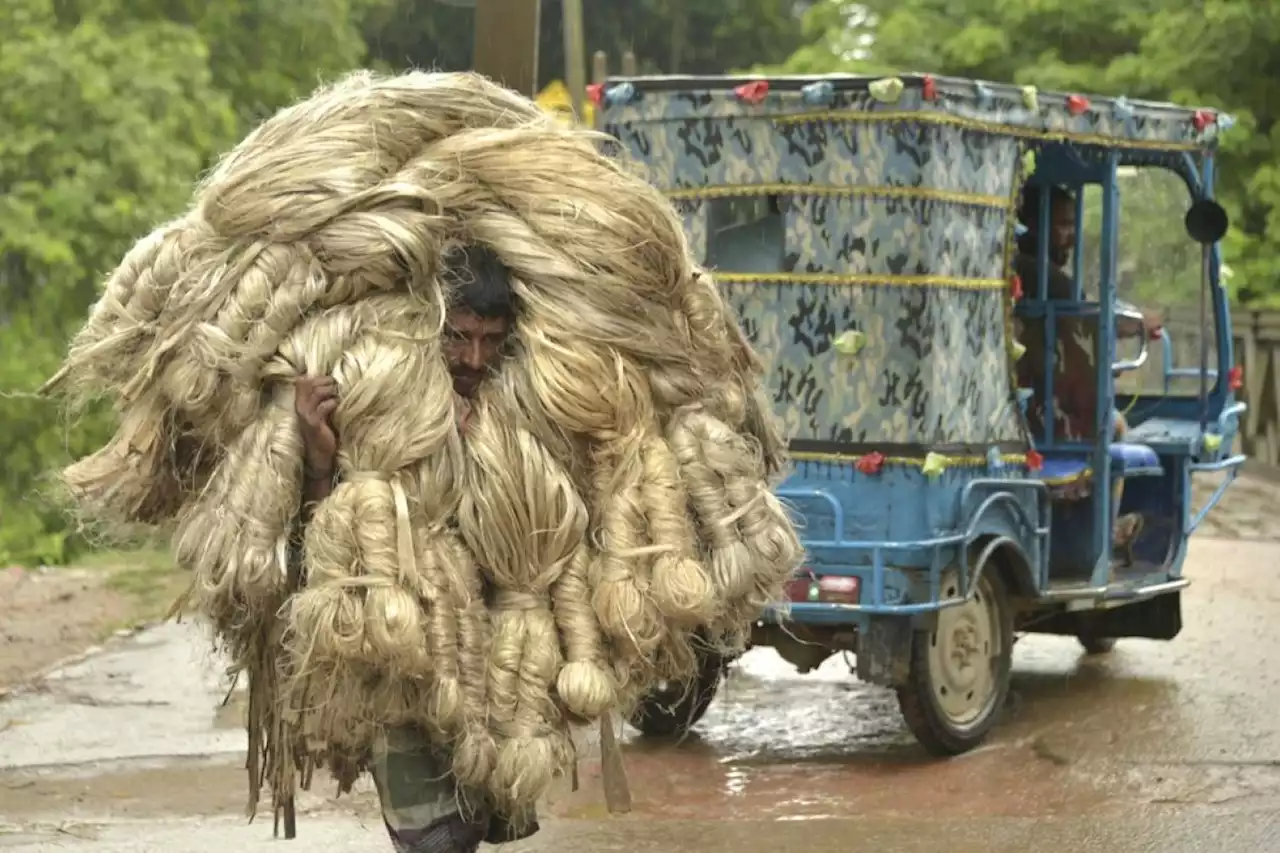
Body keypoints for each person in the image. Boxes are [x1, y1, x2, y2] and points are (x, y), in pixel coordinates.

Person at [293, 244, 532, 853]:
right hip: (401, 658)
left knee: (473, 827)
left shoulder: (514, 410)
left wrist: (485, 454)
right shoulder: (379, 404)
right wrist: (321, 457)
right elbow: (328, 538)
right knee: (434, 838)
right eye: (460, 337)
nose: (473, 358)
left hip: (488, 657)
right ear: (432, 324)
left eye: (491, 340)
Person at [1014, 183, 1151, 557]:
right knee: (1117, 426)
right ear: (1033, 225)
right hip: (1039, 407)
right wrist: (1136, 327)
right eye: (1062, 224)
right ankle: (1105, 533)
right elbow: (1086, 326)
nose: (1070, 234)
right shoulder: (1044, 275)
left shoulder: (1015, 267)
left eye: (1073, 224)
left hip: (1021, 397)